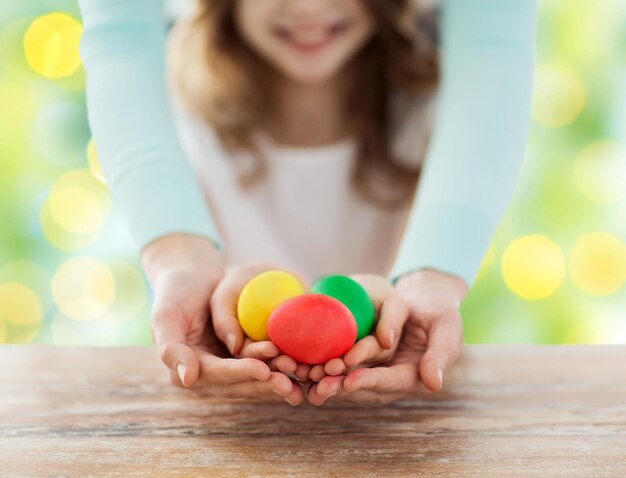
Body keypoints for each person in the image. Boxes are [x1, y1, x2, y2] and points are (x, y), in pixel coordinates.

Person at [78, 0, 536, 406]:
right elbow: (118, 36)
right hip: (238, 413)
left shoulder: (434, 119)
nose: (306, 7)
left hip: (387, 420)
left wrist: (431, 280)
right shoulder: (183, 123)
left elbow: (496, 37)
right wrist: (180, 263)